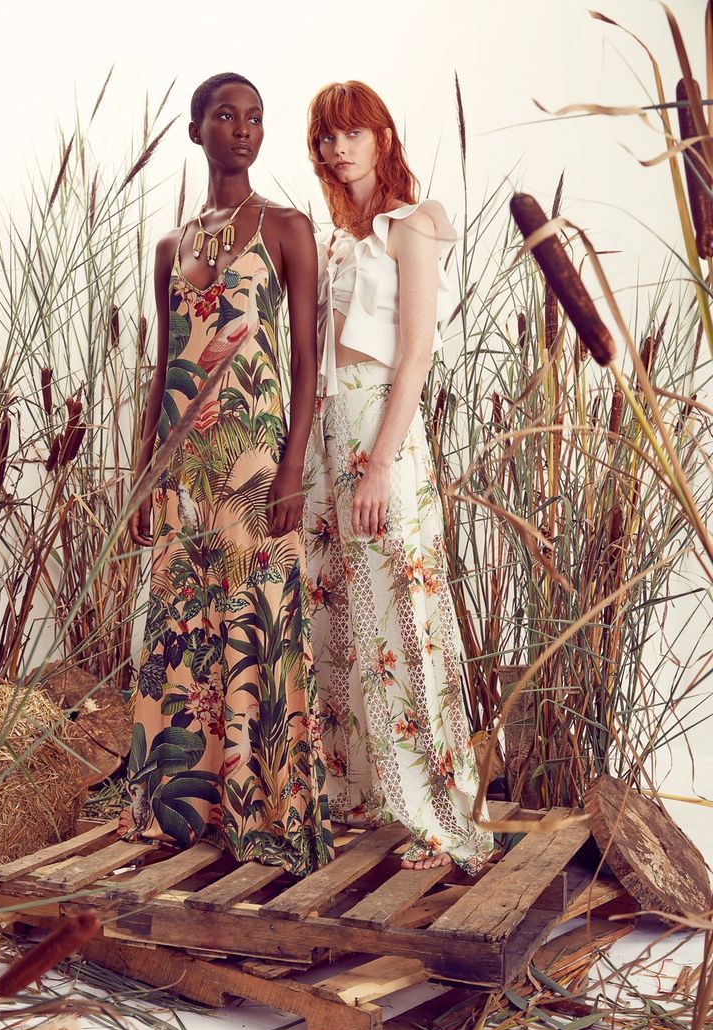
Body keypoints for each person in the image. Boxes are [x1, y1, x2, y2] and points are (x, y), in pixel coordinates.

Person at [120, 72, 333, 877]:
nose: (241, 130)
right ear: (195, 129)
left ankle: (263, 808)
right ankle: (181, 805)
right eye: (224, 117)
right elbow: (163, 369)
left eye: (253, 118)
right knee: (182, 632)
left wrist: (291, 470)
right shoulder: (172, 247)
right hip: (183, 476)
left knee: (258, 630)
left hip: (254, 467)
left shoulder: (285, 227)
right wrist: (144, 478)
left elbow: (307, 363)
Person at [304, 80, 494, 872]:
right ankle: (358, 792)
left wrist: (380, 462)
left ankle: (439, 814)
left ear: (383, 137)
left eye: (353, 132)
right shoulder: (335, 238)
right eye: (325, 136)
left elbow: (415, 354)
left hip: (382, 431)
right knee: (333, 614)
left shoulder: (412, 225)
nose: (337, 147)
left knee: (399, 617)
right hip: (325, 427)